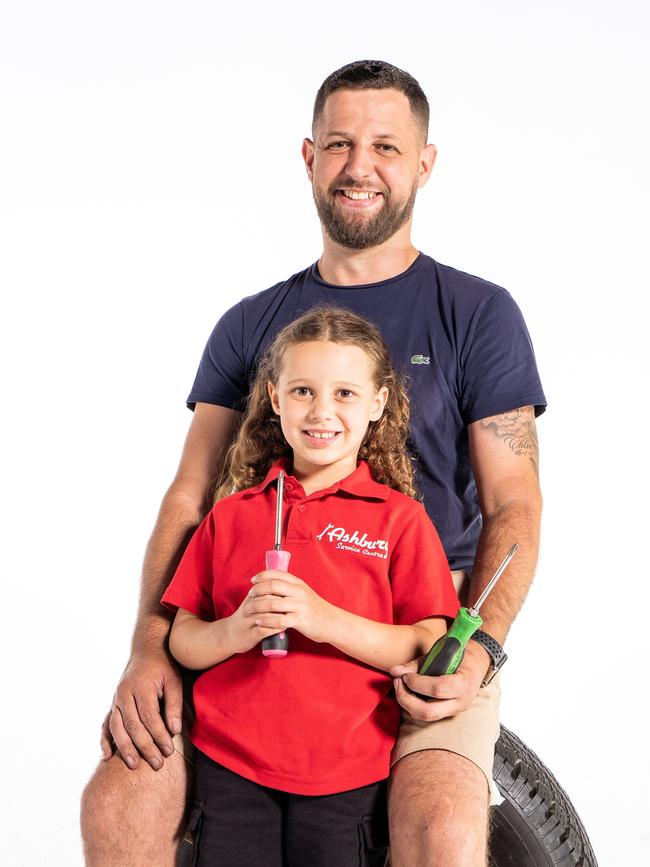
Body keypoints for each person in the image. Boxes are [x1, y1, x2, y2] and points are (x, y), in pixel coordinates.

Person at [81, 59, 545, 867]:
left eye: (386, 147)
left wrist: (472, 653)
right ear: (308, 157)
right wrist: (150, 647)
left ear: (424, 165)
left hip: (414, 642)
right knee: (118, 799)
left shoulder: (478, 314)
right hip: (249, 636)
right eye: (338, 144)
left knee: (442, 827)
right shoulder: (249, 324)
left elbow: (515, 507)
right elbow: (191, 496)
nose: (359, 166)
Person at [160, 305, 460, 865]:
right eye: (302, 390)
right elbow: (184, 638)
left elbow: (424, 641)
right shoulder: (233, 515)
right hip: (231, 769)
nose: (321, 411)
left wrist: (323, 620)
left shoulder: (399, 520)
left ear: (379, 403)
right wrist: (234, 631)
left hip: (348, 774)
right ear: (275, 399)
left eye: (345, 393)